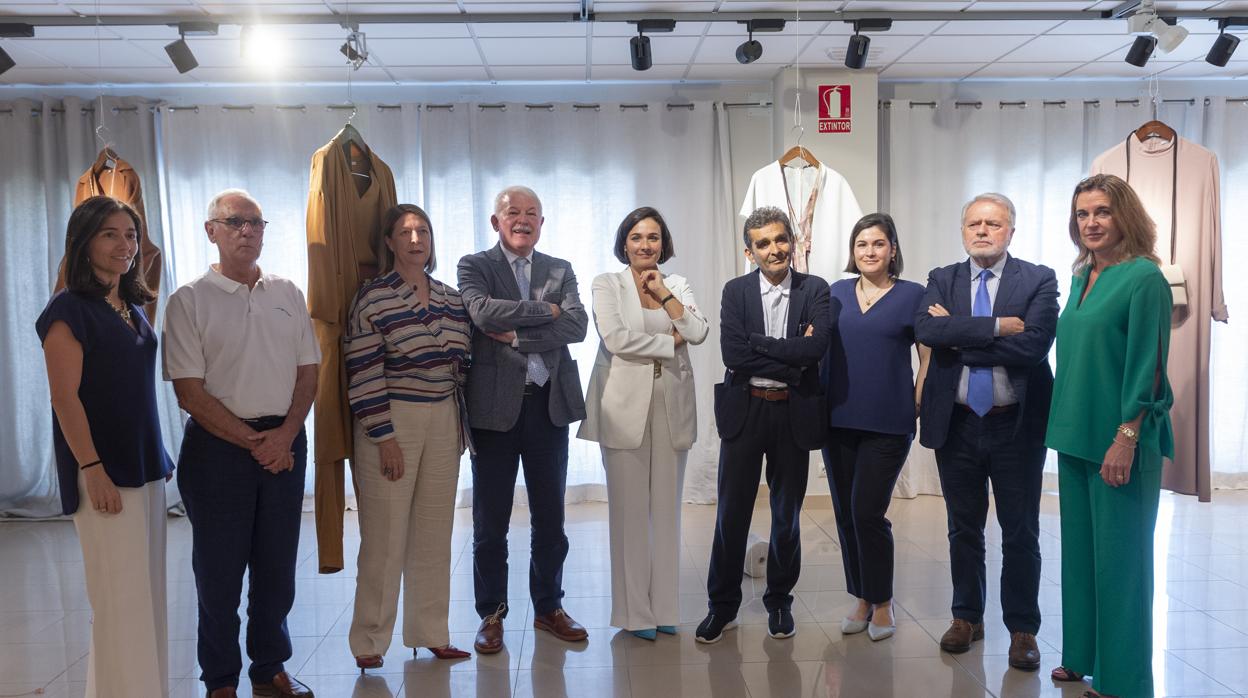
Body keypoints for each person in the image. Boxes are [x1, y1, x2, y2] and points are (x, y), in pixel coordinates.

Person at [163, 189, 319, 698]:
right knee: (219, 574)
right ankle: (221, 679)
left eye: (256, 222)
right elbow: (190, 391)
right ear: (211, 231)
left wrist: (286, 434)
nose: (247, 231)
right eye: (235, 222)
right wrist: (258, 441)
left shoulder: (287, 292)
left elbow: (309, 372)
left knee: (277, 569)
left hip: (285, 442)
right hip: (218, 449)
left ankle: (269, 666)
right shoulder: (188, 300)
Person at [914, 192, 1058, 672]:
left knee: (1020, 531)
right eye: (974, 223)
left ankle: (1022, 628)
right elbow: (928, 334)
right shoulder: (942, 278)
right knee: (963, 528)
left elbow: (1033, 348)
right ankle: (966, 617)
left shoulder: (1038, 279)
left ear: (1010, 231)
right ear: (962, 231)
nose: (982, 230)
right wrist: (998, 327)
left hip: (1015, 426)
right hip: (956, 425)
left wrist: (960, 334)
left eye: (993, 224)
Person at [36, 196, 172, 698]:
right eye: (110, 234)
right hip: (104, 472)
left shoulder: (131, 305)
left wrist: (159, 458)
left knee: (146, 599)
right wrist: (91, 467)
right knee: (120, 602)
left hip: (144, 470)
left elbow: (132, 390)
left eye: (131, 234)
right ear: (83, 242)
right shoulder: (67, 309)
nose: (126, 245)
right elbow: (63, 397)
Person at [1047, 174, 1173, 698]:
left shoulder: (1145, 279)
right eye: (1082, 214)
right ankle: (1082, 655)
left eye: (1102, 212)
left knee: (1123, 566)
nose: (1091, 223)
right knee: (1080, 558)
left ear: (1125, 216)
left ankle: (1123, 680)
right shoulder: (1082, 276)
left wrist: (1126, 436)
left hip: (1119, 441)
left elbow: (1149, 367)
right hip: (1074, 435)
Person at [457, 185, 590, 655]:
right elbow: (480, 311)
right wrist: (545, 312)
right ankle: (491, 613)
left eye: (532, 213)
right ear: (496, 221)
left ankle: (548, 606)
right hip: (493, 411)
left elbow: (577, 325)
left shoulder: (560, 268)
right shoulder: (474, 266)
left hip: (548, 407)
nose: (523, 219)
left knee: (550, 519)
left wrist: (515, 335)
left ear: (542, 223)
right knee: (490, 523)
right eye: (513, 212)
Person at [345, 204, 473, 669]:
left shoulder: (450, 297)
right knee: (383, 535)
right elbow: (362, 371)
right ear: (389, 241)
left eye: (423, 231)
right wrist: (384, 437)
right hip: (391, 419)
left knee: (435, 533)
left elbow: (465, 364)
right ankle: (369, 639)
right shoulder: (373, 298)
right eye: (405, 232)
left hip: (443, 419)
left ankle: (430, 631)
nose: (416, 239)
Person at [697, 206, 831, 644]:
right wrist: (791, 353)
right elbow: (734, 356)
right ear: (748, 251)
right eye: (763, 243)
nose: (774, 249)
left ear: (792, 241)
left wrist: (767, 347)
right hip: (746, 409)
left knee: (786, 514)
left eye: (780, 239)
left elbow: (816, 352)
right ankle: (722, 606)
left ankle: (779, 601)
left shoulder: (816, 289)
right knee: (731, 513)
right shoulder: (735, 292)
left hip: (793, 412)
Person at [577, 207, 709, 640]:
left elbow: (698, 331)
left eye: (653, 237)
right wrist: (669, 341)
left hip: (672, 406)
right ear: (624, 243)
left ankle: (666, 609)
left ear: (663, 243)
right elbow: (615, 339)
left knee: (667, 515)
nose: (645, 245)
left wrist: (666, 296)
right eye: (636, 237)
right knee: (630, 515)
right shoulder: (606, 284)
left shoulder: (679, 284)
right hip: (622, 407)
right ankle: (636, 614)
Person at [821, 213, 930, 642]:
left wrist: (918, 399)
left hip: (888, 421)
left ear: (893, 250)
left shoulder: (912, 295)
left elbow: (928, 356)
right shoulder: (835, 293)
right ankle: (861, 596)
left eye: (878, 244)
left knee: (868, 511)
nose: (869, 252)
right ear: (853, 251)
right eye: (862, 244)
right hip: (838, 419)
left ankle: (882, 601)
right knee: (846, 513)